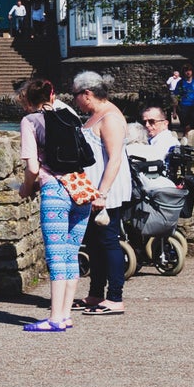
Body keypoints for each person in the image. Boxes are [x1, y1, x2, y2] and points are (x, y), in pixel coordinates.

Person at [17, 77, 93, 332]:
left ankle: (54, 318)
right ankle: (66, 315)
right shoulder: (70, 115)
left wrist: (26, 188)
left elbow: (32, 167)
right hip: (81, 189)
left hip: (55, 191)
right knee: (71, 253)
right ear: (52, 95)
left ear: (28, 100)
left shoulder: (29, 121)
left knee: (56, 256)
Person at [73, 71, 133, 316]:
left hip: (106, 190)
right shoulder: (95, 115)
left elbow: (115, 158)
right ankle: (96, 294)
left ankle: (115, 298)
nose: (74, 100)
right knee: (95, 244)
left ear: (87, 94)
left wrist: (103, 193)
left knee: (108, 242)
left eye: (75, 95)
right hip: (91, 190)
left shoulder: (110, 118)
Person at [177, 66, 194, 131]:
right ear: (183, 72)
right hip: (184, 107)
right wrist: (176, 109)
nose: (188, 72)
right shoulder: (180, 83)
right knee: (187, 128)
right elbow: (177, 95)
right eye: (186, 70)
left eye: (189, 70)